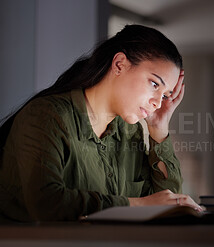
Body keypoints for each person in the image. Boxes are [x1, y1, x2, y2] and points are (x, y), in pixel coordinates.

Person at [0, 24, 202, 223]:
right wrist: (137, 205)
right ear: (119, 64)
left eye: (165, 95)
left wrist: (159, 128)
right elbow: (47, 204)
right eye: (154, 84)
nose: (158, 102)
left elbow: (166, 207)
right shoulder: (47, 116)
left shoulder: (129, 132)